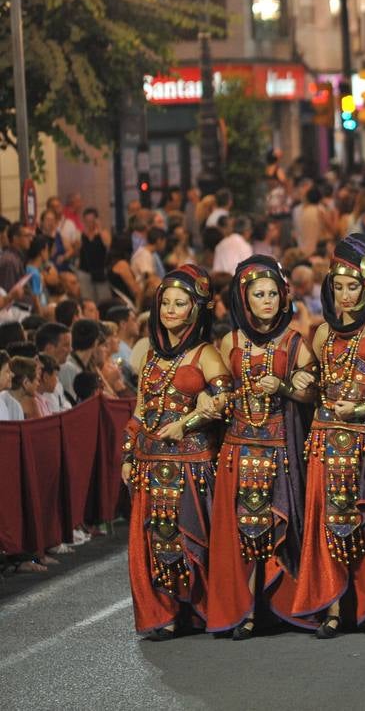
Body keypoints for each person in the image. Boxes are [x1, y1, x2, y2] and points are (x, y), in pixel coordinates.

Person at [292, 234, 365, 638]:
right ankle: (333, 606)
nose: (345, 296)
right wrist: (300, 379)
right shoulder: (323, 333)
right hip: (325, 441)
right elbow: (311, 388)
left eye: (353, 288)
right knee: (327, 524)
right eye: (338, 287)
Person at [206, 256, 316, 640]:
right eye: (258, 295)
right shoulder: (229, 342)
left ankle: (272, 609)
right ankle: (244, 611)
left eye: (272, 294)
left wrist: (287, 386)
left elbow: (311, 391)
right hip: (237, 450)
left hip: (278, 451)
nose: (267, 301)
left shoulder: (295, 341)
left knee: (272, 529)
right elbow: (216, 390)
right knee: (241, 532)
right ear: (244, 299)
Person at [121, 263, 231, 639]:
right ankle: (164, 613)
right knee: (157, 537)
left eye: (179, 303)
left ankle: (199, 609)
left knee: (192, 535)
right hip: (150, 461)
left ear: (195, 309)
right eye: (165, 302)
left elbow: (224, 402)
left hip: (193, 462)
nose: (169, 310)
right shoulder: (151, 356)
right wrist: (127, 453)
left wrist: (186, 423)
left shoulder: (207, 355)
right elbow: (139, 411)